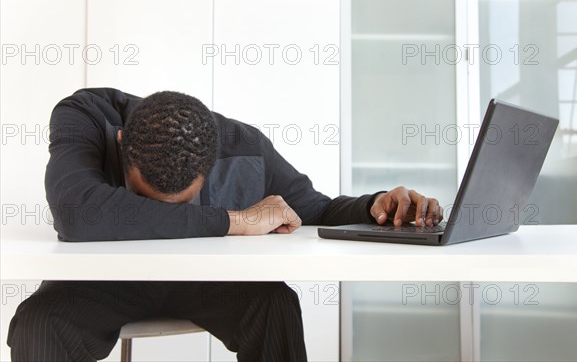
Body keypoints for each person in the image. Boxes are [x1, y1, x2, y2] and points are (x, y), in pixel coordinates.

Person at [7, 88, 443, 361]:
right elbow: (78, 212)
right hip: (105, 280)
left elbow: (314, 209)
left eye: (183, 202)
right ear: (122, 145)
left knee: (275, 305)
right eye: (144, 200)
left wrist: (376, 207)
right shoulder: (86, 115)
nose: (164, 211)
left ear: (211, 163)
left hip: (208, 280)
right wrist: (236, 221)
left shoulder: (242, 144)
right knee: (38, 323)